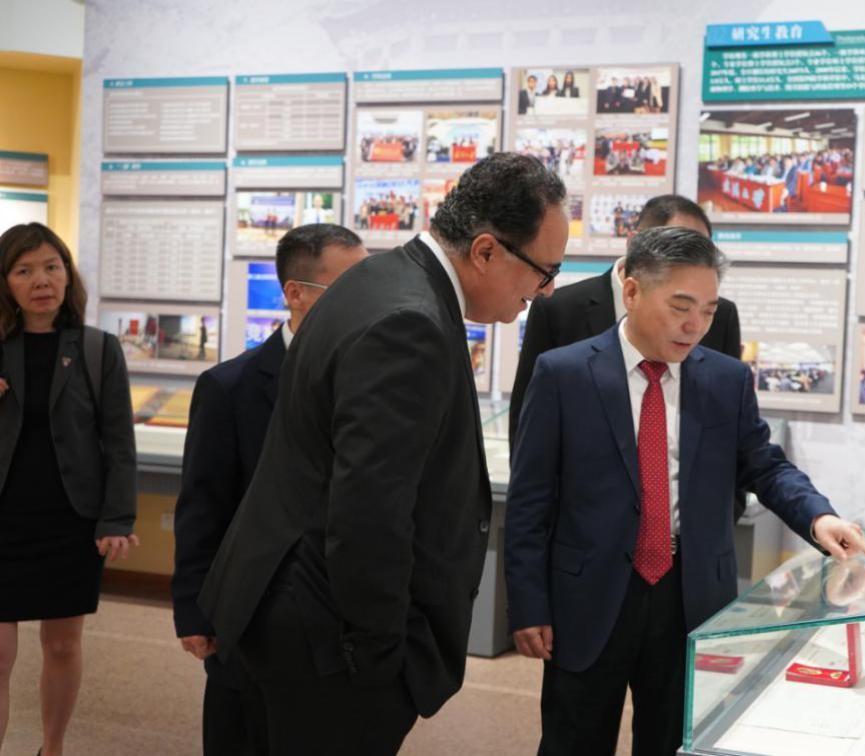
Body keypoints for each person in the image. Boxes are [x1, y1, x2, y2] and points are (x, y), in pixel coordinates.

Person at [197, 153, 568, 755]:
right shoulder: (410, 323)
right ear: (485, 251)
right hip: (327, 638)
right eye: (545, 270)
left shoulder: (383, 278)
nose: (545, 290)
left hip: (295, 605)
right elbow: (368, 513)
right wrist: (379, 656)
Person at [504, 227, 865, 755]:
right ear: (632, 291)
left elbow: (765, 466)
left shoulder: (725, 380)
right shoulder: (565, 374)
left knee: (676, 741)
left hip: (691, 594)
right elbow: (530, 500)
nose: (695, 325)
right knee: (574, 739)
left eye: (708, 310)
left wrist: (819, 518)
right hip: (588, 595)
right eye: (680, 307)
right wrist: (527, 603)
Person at [172, 224, 367, 756]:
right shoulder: (230, 388)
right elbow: (203, 506)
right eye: (348, 288)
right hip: (252, 609)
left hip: (345, 618)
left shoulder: (374, 382)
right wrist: (195, 609)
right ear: (295, 294)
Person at [0, 222, 139, 756]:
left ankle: (51, 748)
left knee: (61, 645)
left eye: (52, 267)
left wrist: (117, 518)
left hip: (69, 522)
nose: (41, 280)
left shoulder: (99, 350)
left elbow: (118, 441)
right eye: (24, 270)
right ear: (6, 283)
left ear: (67, 275)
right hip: (3, 521)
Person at [509, 195, 741, 451]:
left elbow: (730, 427)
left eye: (700, 251)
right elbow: (528, 423)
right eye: (677, 250)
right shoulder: (560, 309)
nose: (694, 325)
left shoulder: (721, 316)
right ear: (634, 242)